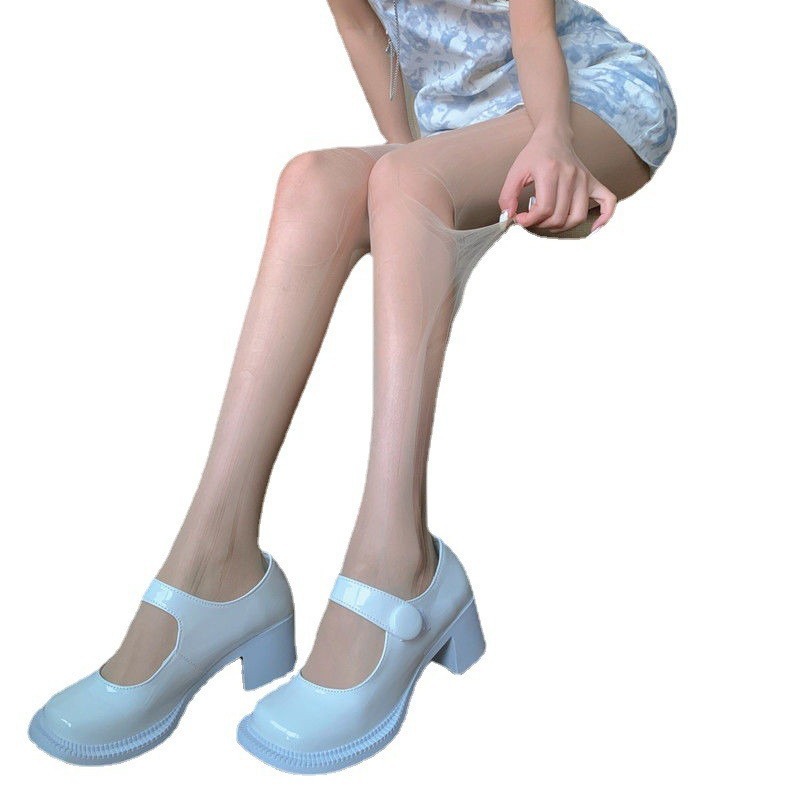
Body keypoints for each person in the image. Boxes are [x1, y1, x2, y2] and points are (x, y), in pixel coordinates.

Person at [28, 0, 677, 772]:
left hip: (583, 99)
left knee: (407, 179)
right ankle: (215, 565)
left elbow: (532, 30)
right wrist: (409, 194)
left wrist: (549, 142)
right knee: (313, 182)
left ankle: (400, 564)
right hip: (465, 124)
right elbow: (361, 29)